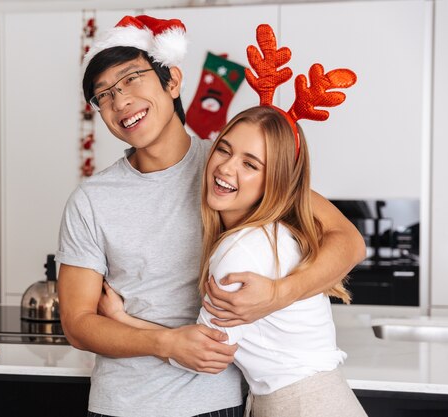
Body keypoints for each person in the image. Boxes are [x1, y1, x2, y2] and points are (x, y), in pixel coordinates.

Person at [57, 15, 365, 417]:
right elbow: (78, 323)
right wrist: (164, 344)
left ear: (172, 81)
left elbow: (348, 241)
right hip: (123, 404)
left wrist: (278, 294)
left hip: (217, 402)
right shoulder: (90, 201)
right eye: (104, 95)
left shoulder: (232, 167)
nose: (120, 101)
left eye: (131, 79)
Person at [98, 107, 368, 417]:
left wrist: (121, 319)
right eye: (224, 150)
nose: (226, 168)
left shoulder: (238, 252)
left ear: (275, 181)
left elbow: (207, 354)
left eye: (250, 164)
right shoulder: (276, 235)